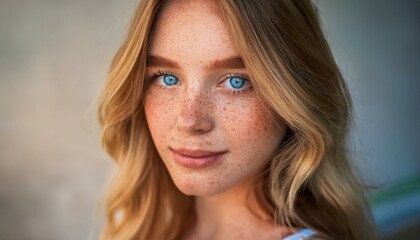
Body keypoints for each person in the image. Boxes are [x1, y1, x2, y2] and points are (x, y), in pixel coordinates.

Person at [97, 0, 377, 239]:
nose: (189, 120)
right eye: (167, 78)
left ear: (294, 96)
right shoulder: (140, 228)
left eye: (235, 81)